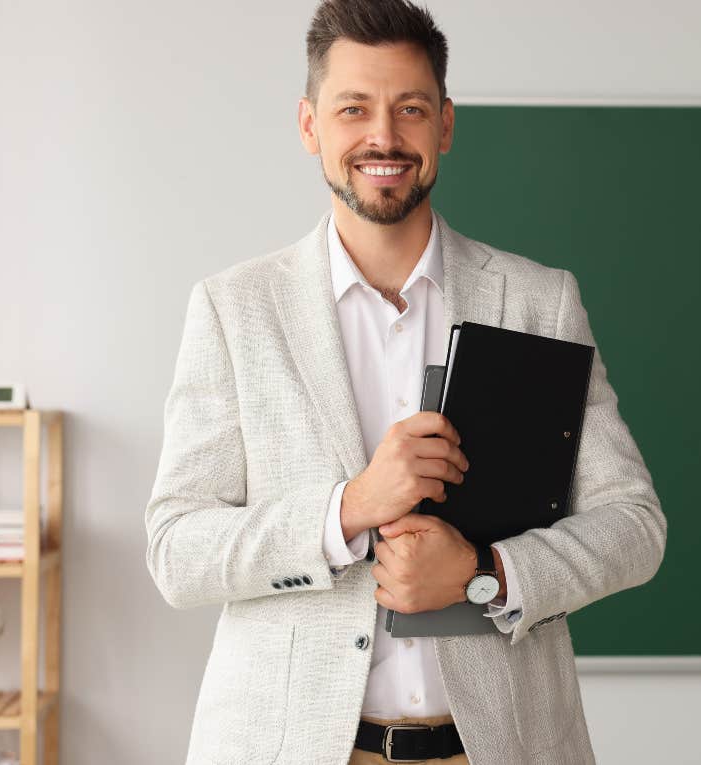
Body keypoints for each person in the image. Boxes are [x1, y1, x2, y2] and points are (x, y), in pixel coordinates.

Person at [143, 0, 665, 763]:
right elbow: (176, 550)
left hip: (495, 747)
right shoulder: (235, 310)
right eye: (353, 108)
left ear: (445, 126)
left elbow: (636, 526)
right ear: (310, 124)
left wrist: (486, 572)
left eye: (410, 109)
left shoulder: (538, 301)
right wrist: (349, 508)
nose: (382, 137)